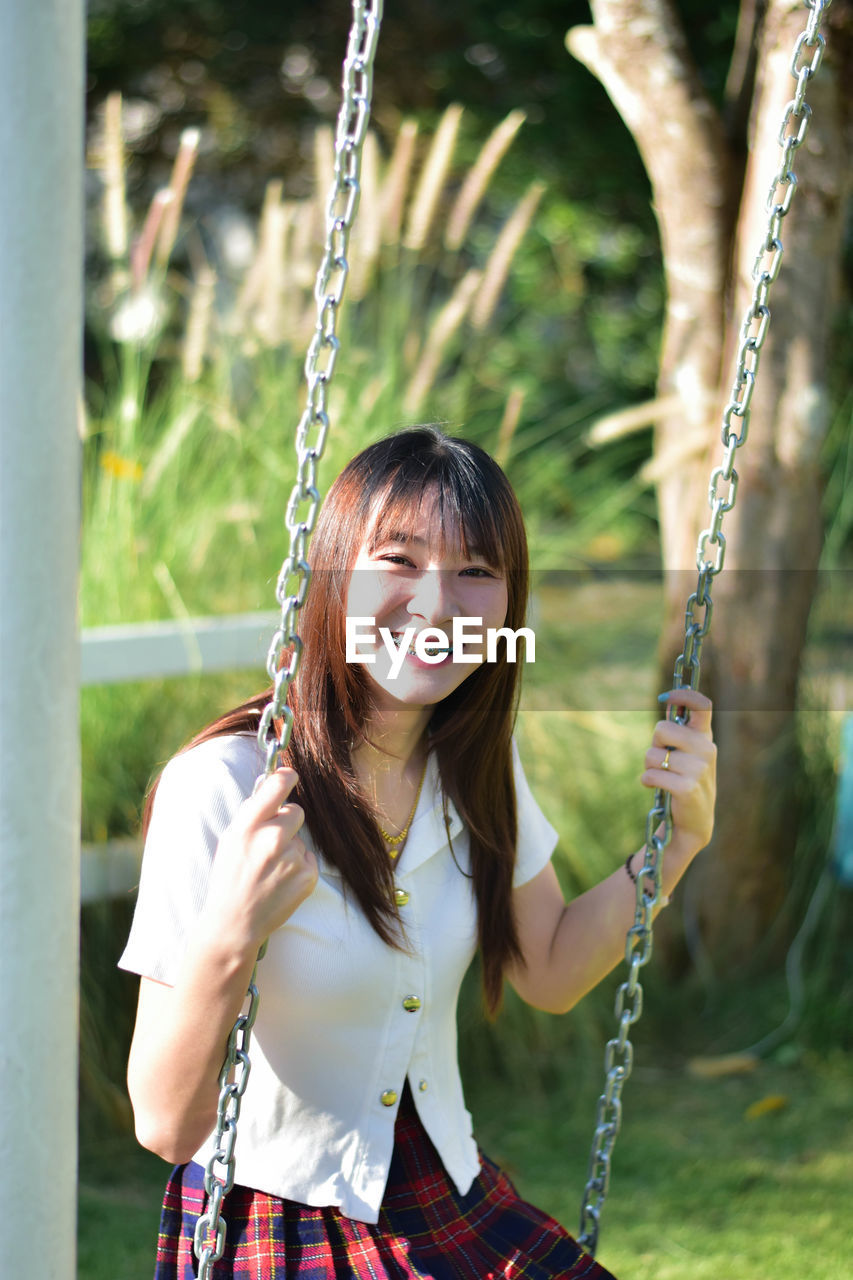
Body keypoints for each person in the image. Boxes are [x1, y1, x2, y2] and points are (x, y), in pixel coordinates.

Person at [120, 426, 717, 1279]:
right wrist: (231, 929)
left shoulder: (472, 762)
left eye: (475, 571)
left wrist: (677, 843)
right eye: (398, 561)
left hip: (446, 1190)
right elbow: (165, 1124)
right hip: (279, 1223)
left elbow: (547, 967)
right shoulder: (224, 784)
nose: (436, 606)